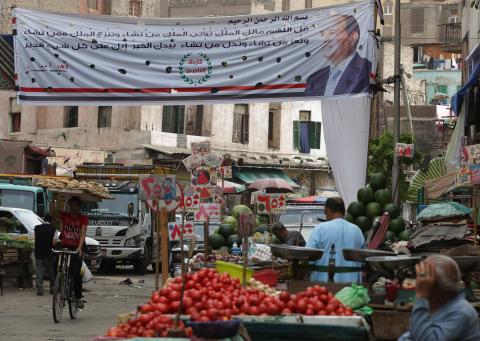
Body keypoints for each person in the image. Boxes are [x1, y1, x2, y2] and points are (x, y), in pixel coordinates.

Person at [398, 255, 480, 341]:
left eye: (423, 277)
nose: (419, 281)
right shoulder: (438, 307)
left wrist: (421, 296)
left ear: (433, 284)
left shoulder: (461, 312)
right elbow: (412, 335)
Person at [304, 15, 372, 97]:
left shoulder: (366, 70)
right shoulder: (314, 79)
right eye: (322, 34)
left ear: (352, 38)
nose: (325, 39)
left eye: (332, 33)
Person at [306, 197, 365, 283]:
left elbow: (308, 256)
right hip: (351, 289)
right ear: (344, 212)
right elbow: (363, 258)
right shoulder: (357, 230)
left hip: (324, 287)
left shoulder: (321, 228)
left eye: (325, 212)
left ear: (328, 210)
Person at [57, 196, 88, 309]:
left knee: (76, 274)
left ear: (79, 207)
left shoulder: (83, 218)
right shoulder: (64, 215)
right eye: (72, 205)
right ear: (69, 205)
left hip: (76, 248)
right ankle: (59, 286)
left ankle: (78, 298)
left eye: (76, 205)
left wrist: (79, 247)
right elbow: (52, 211)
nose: (73, 207)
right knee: (59, 268)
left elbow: (83, 234)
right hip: (65, 246)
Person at [34, 213, 56, 296]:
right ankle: (52, 288)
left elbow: (35, 239)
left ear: (44, 219)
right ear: (51, 220)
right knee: (50, 270)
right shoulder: (53, 229)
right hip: (48, 253)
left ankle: (40, 289)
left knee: (39, 270)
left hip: (38, 252)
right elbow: (54, 242)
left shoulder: (37, 228)